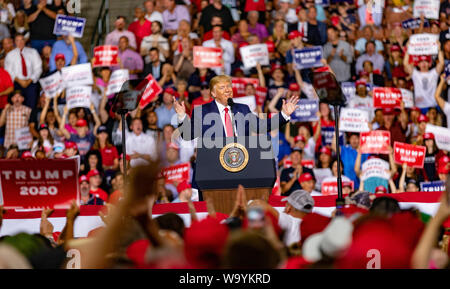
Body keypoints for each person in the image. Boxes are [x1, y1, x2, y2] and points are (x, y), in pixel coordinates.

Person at [174, 75, 299, 141]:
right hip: (214, 168)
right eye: (222, 88)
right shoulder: (201, 111)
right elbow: (187, 135)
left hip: (242, 165)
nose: (227, 90)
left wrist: (283, 114)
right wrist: (181, 116)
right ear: (213, 93)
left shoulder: (243, 109)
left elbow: (262, 126)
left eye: (229, 87)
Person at [4, 34, 42, 108]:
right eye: (18, 40)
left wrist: (29, 80)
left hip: (31, 83)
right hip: (17, 84)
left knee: (31, 106)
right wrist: (19, 80)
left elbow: (38, 68)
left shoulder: (33, 52)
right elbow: (8, 71)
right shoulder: (10, 55)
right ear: (14, 42)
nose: (20, 42)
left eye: (22, 40)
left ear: (25, 41)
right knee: (18, 106)